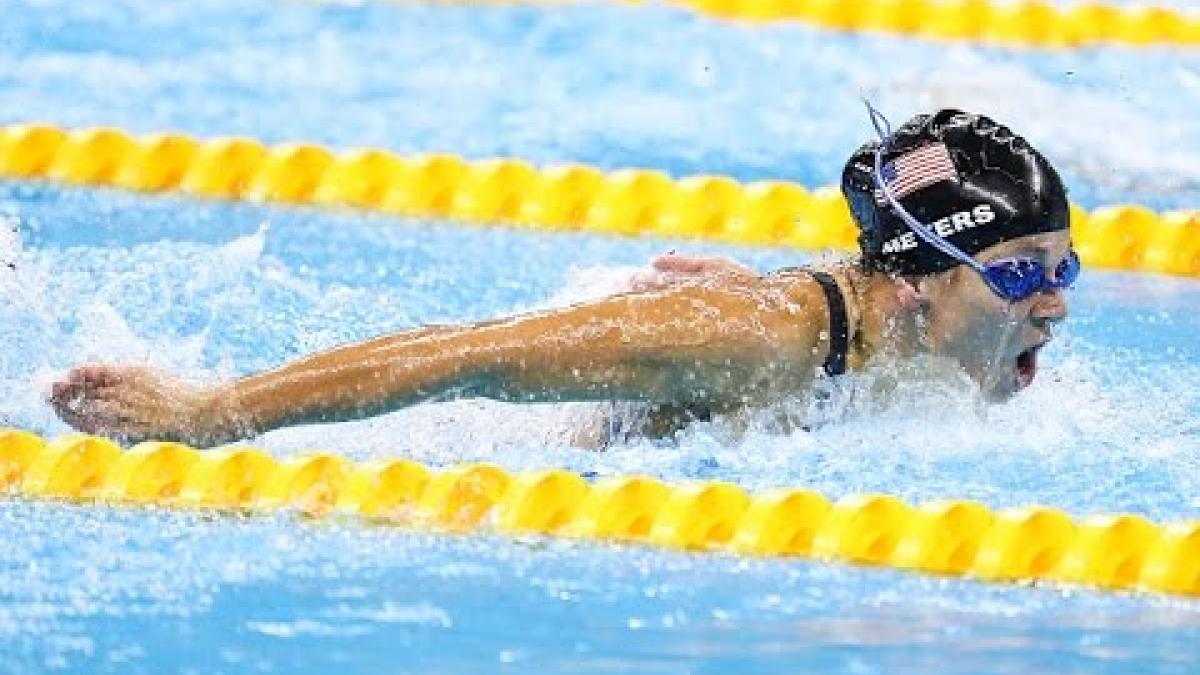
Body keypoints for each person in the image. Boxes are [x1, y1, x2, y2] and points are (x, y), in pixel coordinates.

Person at [47, 108, 1077, 448]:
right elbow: (467, 360)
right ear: (914, 283)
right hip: (488, 436)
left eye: (1065, 264)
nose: (1055, 300)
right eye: (1022, 271)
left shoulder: (872, 312)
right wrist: (215, 410)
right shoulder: (760, 334)